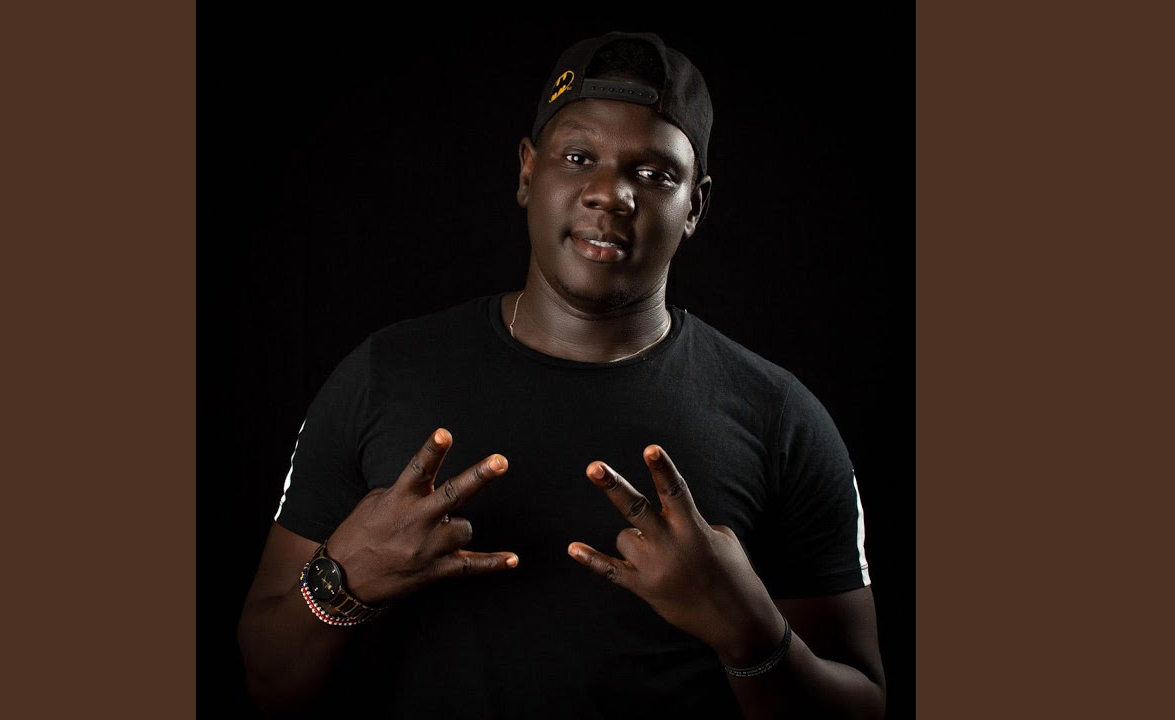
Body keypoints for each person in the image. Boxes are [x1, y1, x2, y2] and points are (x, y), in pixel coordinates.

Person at [237, 31, 885, 719]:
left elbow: (865, 705)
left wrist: (749, 632)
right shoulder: (382, 375)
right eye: (579, 158)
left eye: (655, 174)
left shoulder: (781, 418)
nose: (610, 194)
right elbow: (267, 681)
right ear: (527, 172)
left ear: (695, 205)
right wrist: (343, 580)